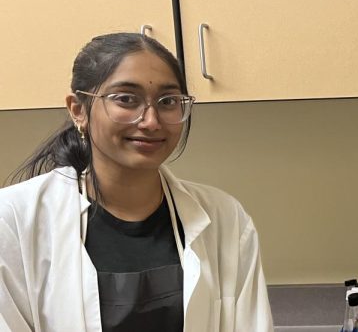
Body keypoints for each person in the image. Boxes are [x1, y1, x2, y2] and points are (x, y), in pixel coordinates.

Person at [0, 33, 274, 331]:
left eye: (168, 101)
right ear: (78, 110)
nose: (151, 121)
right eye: (126, 99)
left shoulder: (224, 218)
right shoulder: (14, 219)